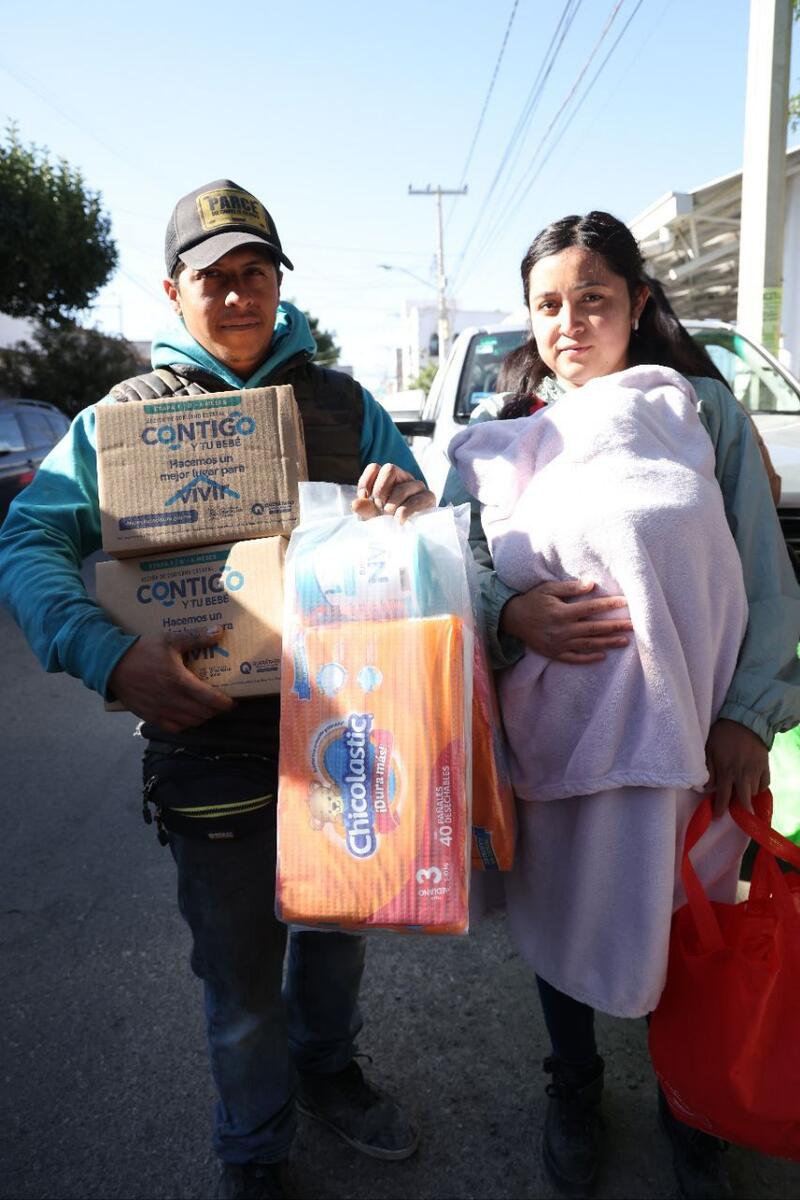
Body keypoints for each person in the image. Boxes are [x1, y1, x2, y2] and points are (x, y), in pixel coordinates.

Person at [0, 179, 435, 1200]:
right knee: (238, 975)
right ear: (172, 292)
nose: (238, 297)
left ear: (279, 284)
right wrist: (109, 656)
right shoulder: (125, 423)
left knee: (336, 938)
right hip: (208, 738)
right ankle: (253, 1146)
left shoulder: (344, 407)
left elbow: (435, 548)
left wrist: (412, 508)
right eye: (214, 280)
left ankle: (328, 1070)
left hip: (348, 725)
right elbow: (29, 540)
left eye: (256, 275)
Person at [445, 211, 800, 1199]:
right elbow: (456, 573)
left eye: (592, 297)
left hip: (690, 737)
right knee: (564, 925)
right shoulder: (505, 439)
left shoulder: (698, 415)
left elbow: (760, 574)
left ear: (637, 304)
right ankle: (573, 1084)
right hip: (554, 740)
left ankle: (688, 1099)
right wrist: (512, 610)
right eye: (547, 304)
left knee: (681, 924)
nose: (568, 321)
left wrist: (746, 713)